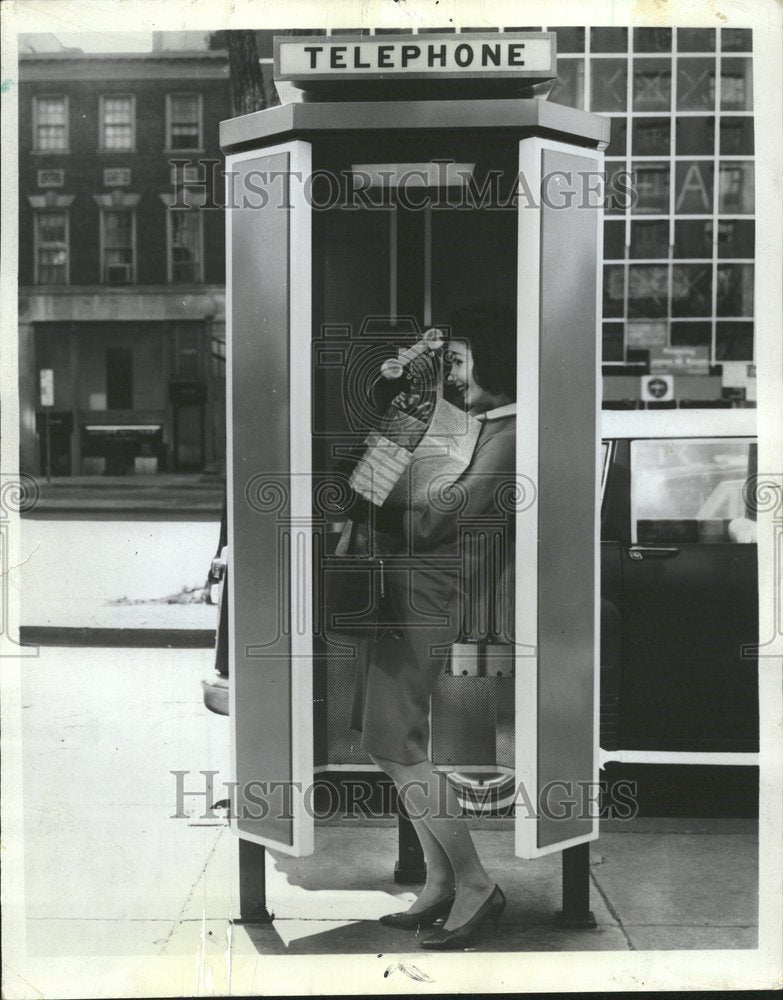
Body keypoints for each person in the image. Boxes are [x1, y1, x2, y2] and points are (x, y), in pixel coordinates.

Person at [350, 301, 517, 950]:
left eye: (458, 362)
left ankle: (474, 885)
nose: (449, 376)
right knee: (386, 745)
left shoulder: (505, 435)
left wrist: (391, 482)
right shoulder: (467, 424)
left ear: (493, 362)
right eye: (445, 364)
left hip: (434, 598)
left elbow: (431, 521)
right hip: (405, 595)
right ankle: (442, 885)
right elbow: (370, 482)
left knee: (403, 747)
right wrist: (403, 416)